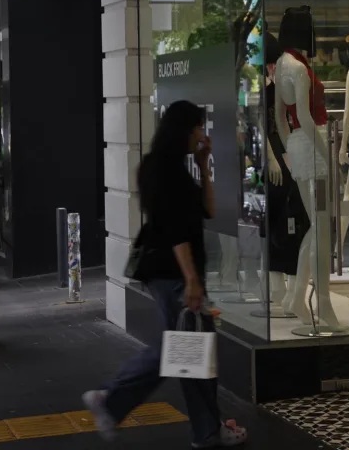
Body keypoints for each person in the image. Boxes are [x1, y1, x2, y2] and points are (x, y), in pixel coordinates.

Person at [82, 100, 247, 449]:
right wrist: (190, 279)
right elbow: (175, 230)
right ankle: (111, 399)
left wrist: (203, 167)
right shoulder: (163, 171)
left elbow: (207, 209)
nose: (202, 134)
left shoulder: (173, 168)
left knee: (190, 351)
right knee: (180, 350)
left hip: (173, 272)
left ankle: (207, 430)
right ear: (185, 129)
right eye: (199, 127)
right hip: (174, 273)